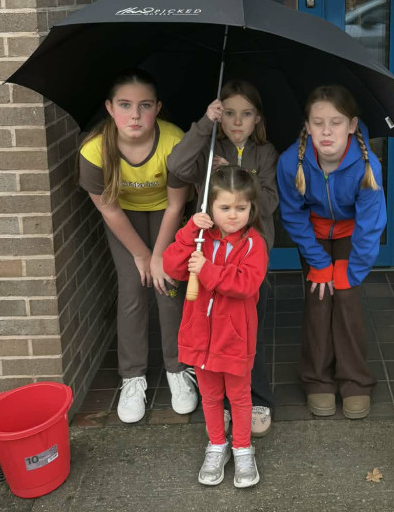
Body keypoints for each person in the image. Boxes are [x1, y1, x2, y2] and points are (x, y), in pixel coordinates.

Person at [78, 70, 197, 424]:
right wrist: (142, 255)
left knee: (167, 284)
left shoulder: (174, 141)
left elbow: (176, 205)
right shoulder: (94, 150)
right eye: (125, 105)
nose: (135, 115)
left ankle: (178, 368)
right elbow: (109, 210)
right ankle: (132, 376)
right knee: (131, 286)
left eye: (145, 106)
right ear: (109, 108)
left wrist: (158, 257)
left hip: (166, 213)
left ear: (157, 108)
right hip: (123, 216)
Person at [167, 80, 278, 436]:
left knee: (247, 333)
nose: (237, 121)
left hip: (248, 259)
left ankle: (255, 397)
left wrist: (237, 177)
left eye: (246, 114)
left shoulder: (265, 153)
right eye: (229, 113)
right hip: (210, 257)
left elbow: (269, 202)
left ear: (257, 118)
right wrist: (205, 124)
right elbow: (176, 165)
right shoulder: (207, 148)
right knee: (213, 330)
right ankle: (225, 404)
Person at [276, 85, 387, 420]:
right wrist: (319, 261)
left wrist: (352, 271)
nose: (326, 131)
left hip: (352, 233)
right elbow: (292, 215)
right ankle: (317, 379)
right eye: (318, 122)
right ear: (307, 126)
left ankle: (355, 381)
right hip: (314, 234)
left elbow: (371, 224)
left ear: (351, 125)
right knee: (319, 297)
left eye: (336, 122)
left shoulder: (366, 164)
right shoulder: (291, 162)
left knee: (347, 300)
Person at [163, 166, 268, 488]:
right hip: (200, 335)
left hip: (234, 338)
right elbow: (172, 266)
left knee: (239, 397)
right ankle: (217, 445)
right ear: (209, 207)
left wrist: (207, 270)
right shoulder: (199, 239)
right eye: (224, 207)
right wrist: (187, 232)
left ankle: (242, 448)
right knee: (209, 396)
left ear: (251, 208)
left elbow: (245, 285)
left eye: (241, 207)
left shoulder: (254, 244)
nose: (233, 215)